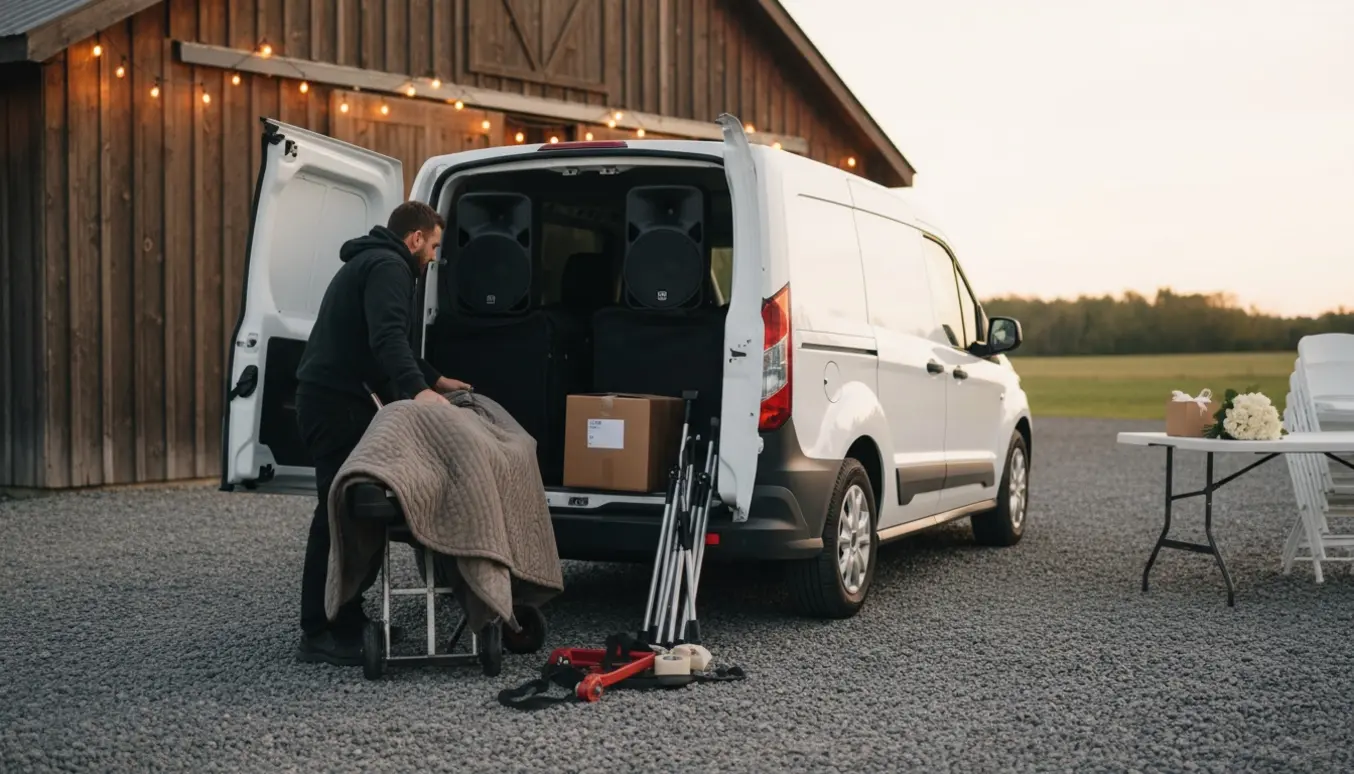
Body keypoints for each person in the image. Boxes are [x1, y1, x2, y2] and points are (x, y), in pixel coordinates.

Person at [292, 201, 471, 666]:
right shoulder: (390, 267)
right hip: (334, 404)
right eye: (432, 246)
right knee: (335, 513)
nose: (433, 256)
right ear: (415, 238)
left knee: (354, 513)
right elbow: (387, 339)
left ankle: (345, 617)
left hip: (335, 398)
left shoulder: (375, 261)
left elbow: (392, 343)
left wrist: (432, 379)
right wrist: (417, 392)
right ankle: (317, 632)